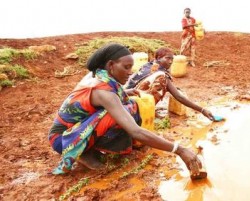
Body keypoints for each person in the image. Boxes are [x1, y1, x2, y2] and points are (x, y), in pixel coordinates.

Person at [48, 43, 202, 175]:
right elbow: (135, 130)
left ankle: (91, 146)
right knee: (123, 113)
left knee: (131, 105)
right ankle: (84, 152)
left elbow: (93, 102)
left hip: (73, 129)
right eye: (126, 67)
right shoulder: (103, 91)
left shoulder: (100, 77)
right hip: (62, 139)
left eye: (131, 67)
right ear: (110, 65)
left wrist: (125, 92)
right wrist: (179, 150)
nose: (130, 72)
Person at [126, 47, 216, 121]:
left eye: (172, 59)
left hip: (127, 98)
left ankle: (146, 107)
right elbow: (178, 97)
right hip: (135, 106)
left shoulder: (148, 65)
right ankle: (146, 109)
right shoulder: (161, 74)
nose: (170, 61)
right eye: (167, 58)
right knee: (162, 81)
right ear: (158, 58)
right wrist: (202, 110)